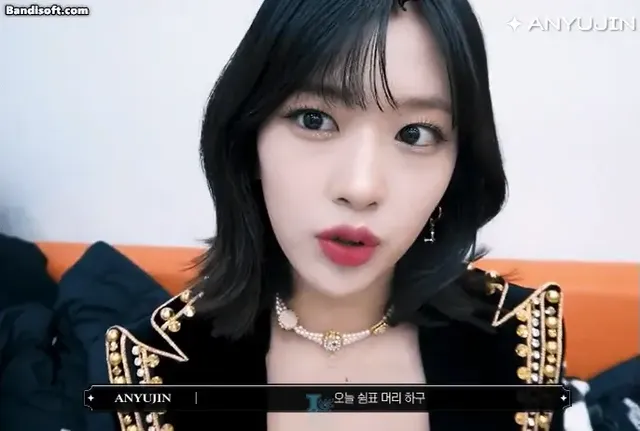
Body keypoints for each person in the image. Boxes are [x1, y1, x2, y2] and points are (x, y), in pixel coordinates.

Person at [103, 0, 566, 430]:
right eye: (314, 119)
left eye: (414, 134)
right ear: (249, 143)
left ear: (457, 166)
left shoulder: (515, 346)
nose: (359, 188)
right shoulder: (163, 370)